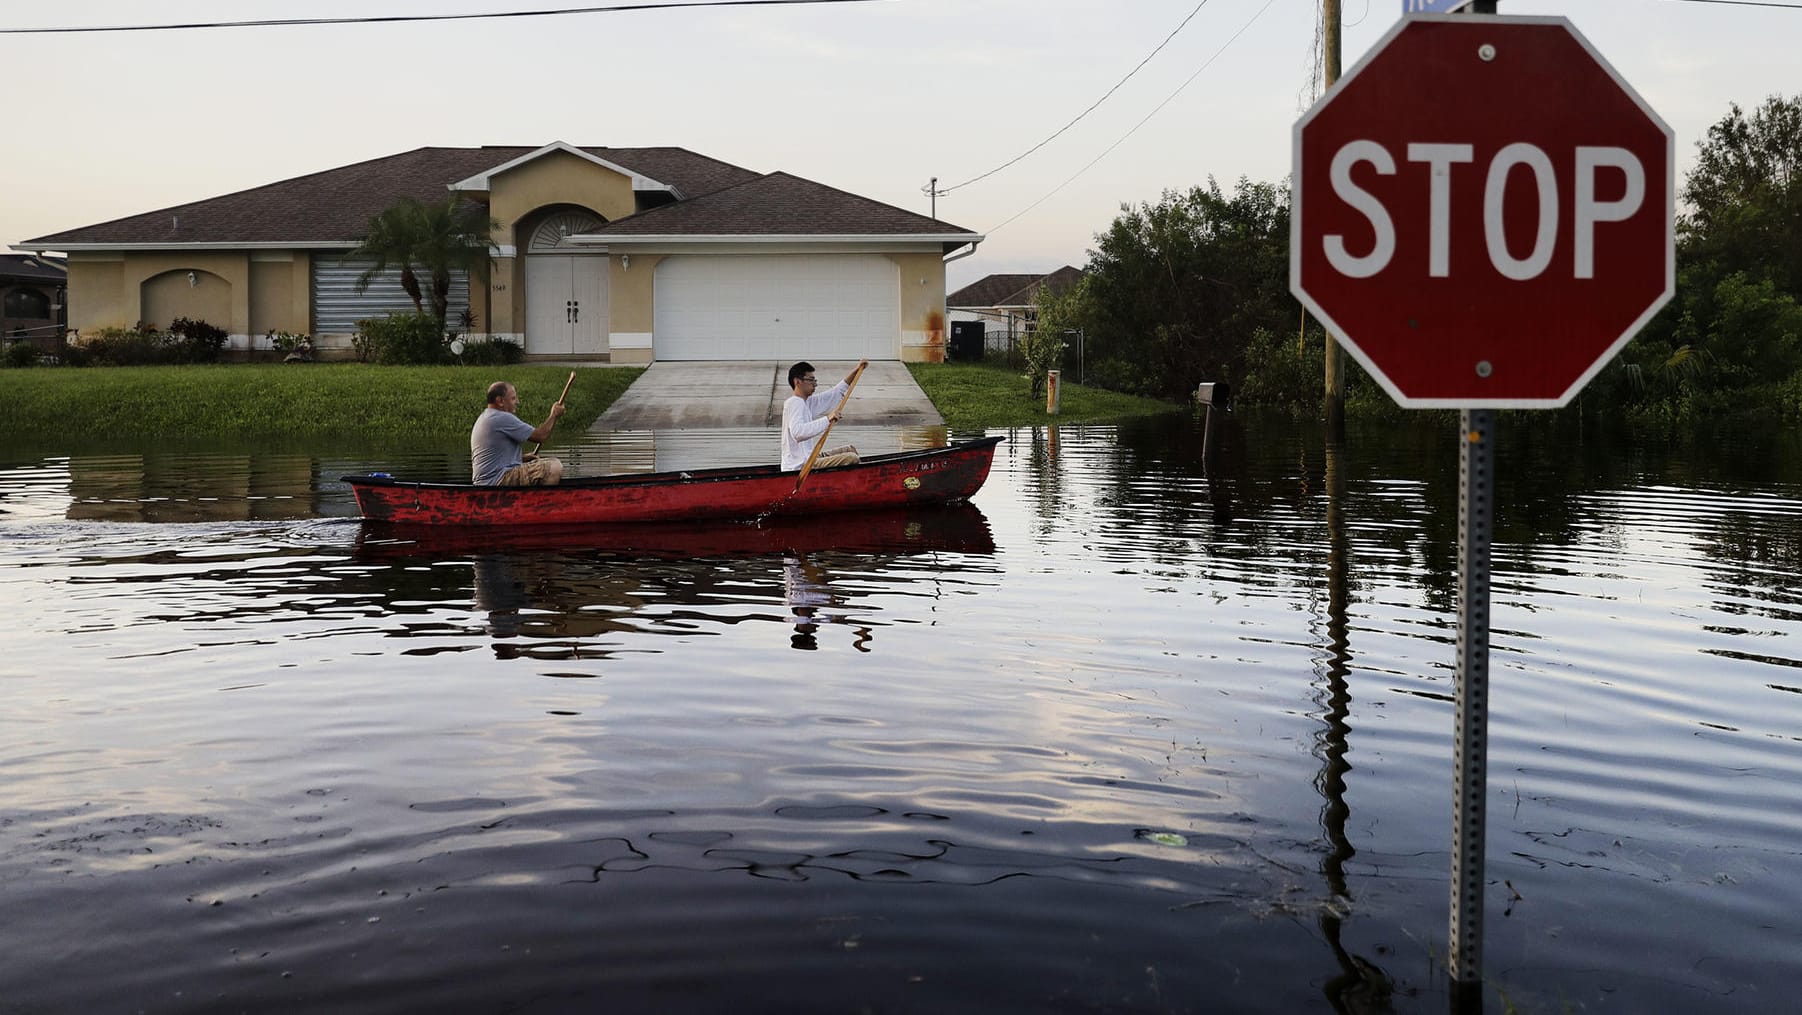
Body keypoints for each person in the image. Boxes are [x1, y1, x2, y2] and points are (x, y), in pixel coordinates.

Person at [471, 380, 567, 486]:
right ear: (500, 401)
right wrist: (554, 415)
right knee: (554, 467)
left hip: (487, 482)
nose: (517, 402)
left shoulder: (486, 416)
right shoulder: (501, 418)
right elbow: (541, 436)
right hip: (497, 480)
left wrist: (522, 458)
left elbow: (496, 460)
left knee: (543, 464)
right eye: (513, 398)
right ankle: (541, 500)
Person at [782, 358, 868, 471]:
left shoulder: (807, 402)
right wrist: (827, 419)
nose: (815, 385)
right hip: (802, 465)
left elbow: (837, 392)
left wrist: (857, 369)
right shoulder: (795, 402)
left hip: (810, 458)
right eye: (811, 380)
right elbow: (797, 433)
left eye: (815, 381)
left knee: (850, 449)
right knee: (852, 458)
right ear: (797, 382)